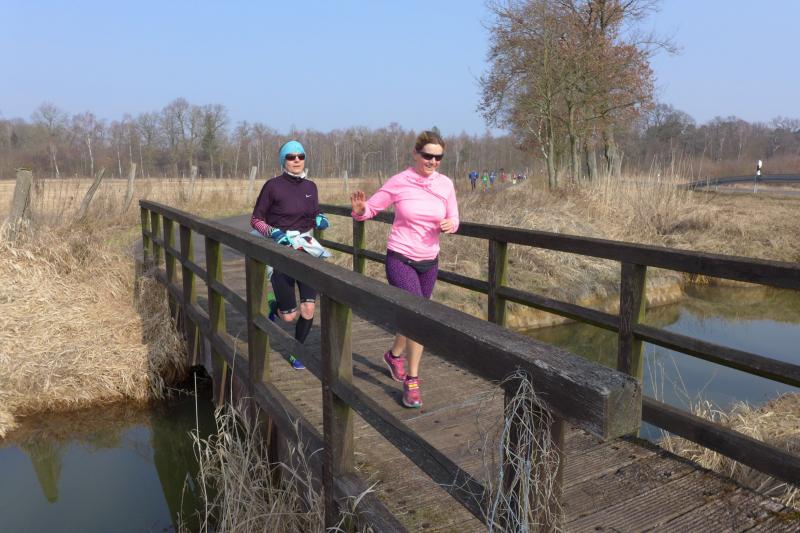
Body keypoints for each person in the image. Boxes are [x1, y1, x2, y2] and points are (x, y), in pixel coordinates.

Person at [350, 130, 459, 408]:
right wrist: (361, 210)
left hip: (429, 260)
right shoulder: (400, 181)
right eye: (428, 155)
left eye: (438, 157)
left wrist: (451, 224)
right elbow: (371, 209)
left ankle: (394, 356)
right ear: (416, 154)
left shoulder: (445, 184)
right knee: (418, 316)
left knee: (414, 316)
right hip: (400, 256)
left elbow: (454, 218)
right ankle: (412, 381)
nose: (433, 161)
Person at [250, 140, 331, 370]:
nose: (296, 160)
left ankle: (297, 351)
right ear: (283, 160)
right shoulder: (272, 186)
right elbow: (255, 220)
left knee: (309, 308)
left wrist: (321, 219)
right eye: (291, 156)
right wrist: (273, 233)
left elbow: (315, 213)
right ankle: (274, 306)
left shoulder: (311, 187)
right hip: (280, 251)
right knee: (289, 317)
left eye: (300, 156)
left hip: (305, 249)